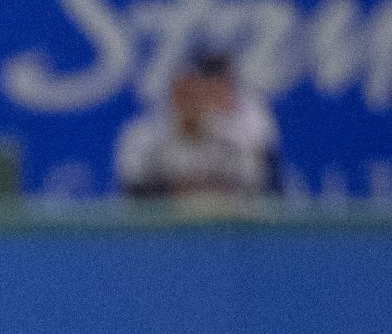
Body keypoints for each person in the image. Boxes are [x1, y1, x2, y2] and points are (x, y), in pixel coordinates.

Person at [114, 52, 280, 213]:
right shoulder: (147, 139)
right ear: (172, 97)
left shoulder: (232, 140)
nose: (189, 104)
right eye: (183, 96)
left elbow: (259, 188)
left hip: (226, 230)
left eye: (196, 96)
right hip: (164, 232)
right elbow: (133, 193)